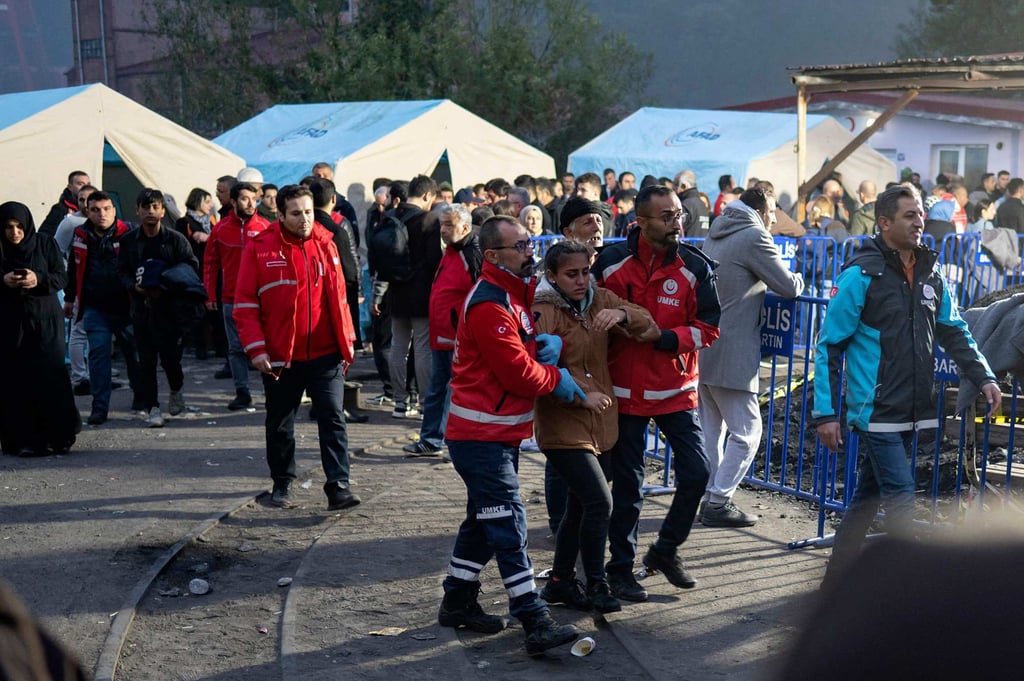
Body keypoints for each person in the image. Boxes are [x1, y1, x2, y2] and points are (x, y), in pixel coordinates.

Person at [814, 185, 1000, 588]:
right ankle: (907, 595)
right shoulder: (859, 276)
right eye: (909, 216)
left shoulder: (931, 272)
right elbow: (829, 347)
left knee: (866, 500)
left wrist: (983, 374)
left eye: (919, 214)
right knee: (900, 498)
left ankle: (834, 584)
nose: (919, 222)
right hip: (874, 410)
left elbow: (955, 331)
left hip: (913, 410)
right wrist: (826, 414)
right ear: (884, 223)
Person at [438, 215, 585, 656]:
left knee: (485, 524)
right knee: (507, 523)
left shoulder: (509, 297)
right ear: (493, 255)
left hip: (493, 433)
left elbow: (519, 355)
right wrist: (553, 375)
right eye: (520, 247)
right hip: (480, 436)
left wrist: (539, 348)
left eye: (527, 243)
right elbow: (518, 374)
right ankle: (533, 617)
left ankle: (458, 600)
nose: (529, 252)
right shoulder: (489, 303)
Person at [594, 184, 721, 602]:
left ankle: (665, 551)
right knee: (627, 487)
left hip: (675, 390)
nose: (676, 223)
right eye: (666, 217)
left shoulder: (695, 267)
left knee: (697, 474)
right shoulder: (610, 262)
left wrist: (663, 336)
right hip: (625, 393)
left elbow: (709, 328)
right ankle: (620, 570)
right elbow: (581, 310)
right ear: (640, 222)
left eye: (679, 215)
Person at [533, 240, 658, 615]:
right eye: (571, 274)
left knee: (579, 507)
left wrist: (621, 314)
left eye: (586, 271)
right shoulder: (544, 310)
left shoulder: (600, 298)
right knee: (599, 502)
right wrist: (580, 391)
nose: (581, 280)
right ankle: (597, 582)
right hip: (563, 425)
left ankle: (559, 581)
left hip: (600, 425)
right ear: (552, 276)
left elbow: (649, 324)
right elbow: (544, 368)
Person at [233, 184, 361, 511]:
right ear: (280, 214)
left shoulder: (327, 243)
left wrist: (348, 341)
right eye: (296, 213)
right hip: (280, 357)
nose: (304, 219)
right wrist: (256, 349)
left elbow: (340, 298)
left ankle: (339, 485)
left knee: (333, 416)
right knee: (280, 422)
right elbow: (245, 304)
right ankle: (282, 482)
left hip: (326, 354)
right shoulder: (260, 247)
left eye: (308, 212)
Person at [698, 187, 804, 526]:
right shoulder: (754, 235)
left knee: (711, 432)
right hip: (733, 349)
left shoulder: (718, 230)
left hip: (707, 346)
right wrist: (800, 279)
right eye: (772, 211)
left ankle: (709, 496)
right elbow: (788, 286)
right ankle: (718, 500)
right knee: (747, 434)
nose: (775, 218)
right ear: (758, 210)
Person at [0, 202, 81, 456]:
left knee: (51, 374)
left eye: (19, 227)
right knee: (15, 378)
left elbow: (61, 276)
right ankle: (22, 439)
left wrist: (38, 279)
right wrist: (3, 280)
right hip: (11, 322)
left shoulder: (45, 244)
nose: (15, 233)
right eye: (9, 228)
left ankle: (58, 436)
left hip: (45, 321)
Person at [402, 204, 482, 456]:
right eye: (442, 224)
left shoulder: (471, 254)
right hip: (442, 335)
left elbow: (481, 296)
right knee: (438, 390)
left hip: (458, 338)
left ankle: (449, 441)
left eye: (449, 225)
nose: (443, 230)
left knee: (452, 391)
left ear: (465, 227)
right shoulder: (451, 250)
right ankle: (432, 439)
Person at [118, 189, 201, 428]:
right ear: (137, 210)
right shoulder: (129, 242)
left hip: (171, 312)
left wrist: (166, 283)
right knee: (146, 362)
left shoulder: (175, 240)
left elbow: (190, 267)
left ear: (163, 211)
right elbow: (121, 271)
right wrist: (134, 287)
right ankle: (152, 407)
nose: (151, 212)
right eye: (146, 207)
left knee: (171, 361)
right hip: (141, 311)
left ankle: (176, 392)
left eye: (155, 207)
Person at [64, 191, 142, 426]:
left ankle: (141, 396)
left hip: (127, 307)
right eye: (96, 209)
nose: (102, 214)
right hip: (95, 306)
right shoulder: (80, 234)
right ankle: (99, 408)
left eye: (107, 209)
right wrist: (69, 298)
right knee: (98, 355)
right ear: (87, 211)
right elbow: (73, 268)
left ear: (114, 210)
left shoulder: (129, 232)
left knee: (134, 354)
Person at [203, 182, 269, 410]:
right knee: (235, 348)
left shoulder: (265, 227)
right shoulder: (220, 229)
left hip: (262, 300)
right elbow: (210, 264)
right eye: (244, 199)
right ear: (232, 201)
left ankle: (271, 391)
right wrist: (210, 294)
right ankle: (243, 392)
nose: (251, 204)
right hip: (231, 299)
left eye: (254, 199)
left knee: (266, 346)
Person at [53, 184, 98, 394]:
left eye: (89, 199)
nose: (85, 204)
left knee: (97, 332)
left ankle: (94, 372)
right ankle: (80, 376)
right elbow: (59, 252)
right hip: (79, 284)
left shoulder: (103, 222)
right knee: (78, 331)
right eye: (81, 199)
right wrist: (67, 283)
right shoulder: (71, 223)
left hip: (102, 287)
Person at [40, 171, 91, 237]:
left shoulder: (96, 208)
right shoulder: (60, 209)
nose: (85, 187)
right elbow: (45, 235)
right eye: (80, 184)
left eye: (88, 184)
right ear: (70, 187)